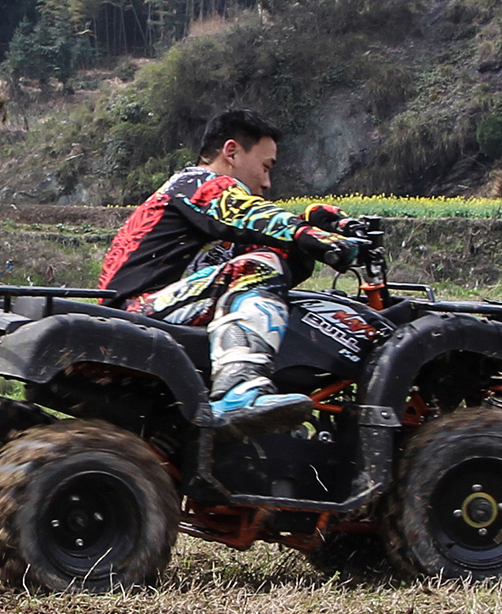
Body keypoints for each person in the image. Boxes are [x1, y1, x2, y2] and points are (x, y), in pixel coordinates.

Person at [98, 108, 363, 433]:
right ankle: (239, 388)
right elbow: (244, 213)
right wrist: (304, 232)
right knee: (258, 266)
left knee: (263, 266)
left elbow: (271, 259)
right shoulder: (196, 183)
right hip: (134, 311)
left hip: (153, 308)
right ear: (232, 152)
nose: (267, 182)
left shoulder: (206, 216)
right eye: (265, 167)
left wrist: (311, 229)